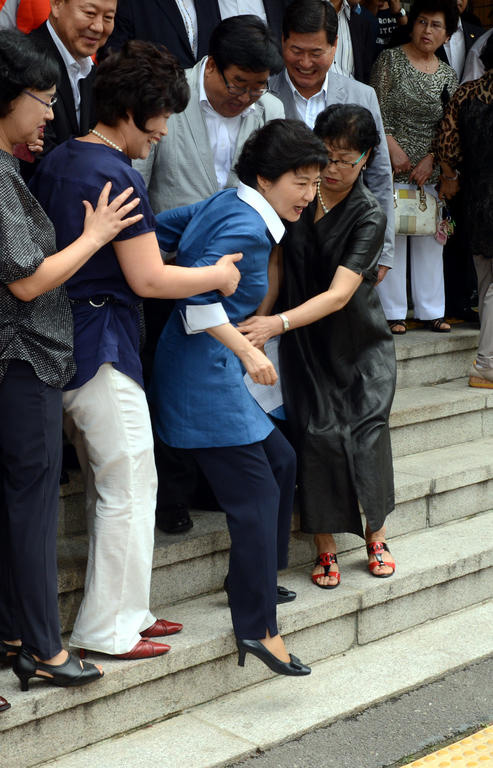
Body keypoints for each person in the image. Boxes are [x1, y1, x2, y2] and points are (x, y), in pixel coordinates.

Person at [29, 40, 242, 660]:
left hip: (60, 336)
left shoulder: (63, 159)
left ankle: (130, 611)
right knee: (129, 483)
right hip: (100, 342)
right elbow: (149, 279)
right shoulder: (113, 172)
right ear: (132, 110)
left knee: (114, 482)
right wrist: (217, 276)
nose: (165, 132)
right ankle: (109, 628)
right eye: (163, 117)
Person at [150, 119, 328, 676]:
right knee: (254, 497)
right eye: (300, 181)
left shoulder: (235, 204)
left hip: (210, 366)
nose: (310, 194)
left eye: (315, 181)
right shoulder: (245, 222)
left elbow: (160, 231)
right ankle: (257, 626)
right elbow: (196, 303)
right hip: (202, 375)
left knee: (281, 460)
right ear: (265, 178)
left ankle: (253, 581)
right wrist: (251, 353)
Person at [0, 29, 143, 690]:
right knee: (31, 508)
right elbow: (28, 281)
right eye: (42, 98)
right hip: (21, 358)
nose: (52, 114)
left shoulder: (17, 167)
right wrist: (94, 236)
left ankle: (14, 633)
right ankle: (44, 650)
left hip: (23, 361)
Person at [134, 14, 285, 535]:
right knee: (168, 374)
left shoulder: (270, 109)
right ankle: (170, 495)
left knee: (221, 376)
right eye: (237, 84)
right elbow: (140, 184)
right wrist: (151, 257)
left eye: (257, 87)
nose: (246, 97)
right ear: (212, 66)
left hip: (237, 275)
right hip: (170, 270)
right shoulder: (171, 101)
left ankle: (212, 486)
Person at [239, 104, 396, 587]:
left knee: (368, 434)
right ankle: (324, 544)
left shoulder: (369, 212)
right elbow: (279, 267)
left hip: (359, 340)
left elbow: (340, 293)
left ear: (365, 159)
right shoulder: (300, 196)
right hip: (304, 339)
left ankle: (376, 533)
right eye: (324, 157)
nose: (330, 171)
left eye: (344, 160)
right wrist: (262, 317)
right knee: (315, 434)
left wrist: (274, 325)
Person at [269, 0, 394, 282]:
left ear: (334, 45)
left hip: (344, 244)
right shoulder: (264, 94)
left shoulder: (361, 96)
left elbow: (379, 175)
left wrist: (383, 250)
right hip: (276, 249)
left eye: (316, 53)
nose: (305, 63)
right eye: (296, 51)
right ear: (282, 40)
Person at [370, 0, 459, 334]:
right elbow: (374, 109)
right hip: (390, 165)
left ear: (447, 34)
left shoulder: (449, 74)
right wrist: (391, 147)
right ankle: (393, 313)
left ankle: (432, 311)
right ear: (413, 24)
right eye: (423, 22)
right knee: (391, 238)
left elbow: (450, 127)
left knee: (428, 242)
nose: (427, 31)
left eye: (436, 25)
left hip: (429, 174)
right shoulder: (389, 60)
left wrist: (432, 159)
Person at [437, 34, 493, 387]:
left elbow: (447, 148)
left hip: (476, 200)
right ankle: (486, 364)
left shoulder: (465, 93)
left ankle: (488, 362)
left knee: (487, 282)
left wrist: (451, 177)